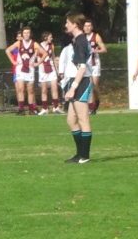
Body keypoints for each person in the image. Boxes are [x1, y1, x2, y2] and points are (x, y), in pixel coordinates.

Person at [62, 13, 93, 164]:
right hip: (75, 81)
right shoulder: (77, 40)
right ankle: (79, 153)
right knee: (71, 120)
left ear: (75, 24)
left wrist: (73, 88)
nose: (66, 25)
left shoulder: (81, 41)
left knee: (83, 119)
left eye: (67, 22)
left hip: (81, 82)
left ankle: (85, 156)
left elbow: (82, 68)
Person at [5, 27, 47, 115]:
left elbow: (45, 53)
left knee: (30, 90)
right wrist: (13, 61)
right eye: (25, 33)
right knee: (20, 89)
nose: (26, 34)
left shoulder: (34, 44)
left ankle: (31, 109)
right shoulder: (19, 43)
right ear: (22, 34)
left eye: (28, 33)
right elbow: (7, 50)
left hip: (30, 69)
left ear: (30, 34)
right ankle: (21, 109)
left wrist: (38, 63)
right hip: (20, 69)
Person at [84, 20, 107, 114]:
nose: (87, 28)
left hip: (94, 64)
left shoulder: (96, 36)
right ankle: (92, 107)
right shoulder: (81, 37)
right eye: (85, 26)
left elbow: (104, 49)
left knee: (94, 86)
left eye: (89, 26)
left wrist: (95, 51)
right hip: (85, 65)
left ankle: (96, 101)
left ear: (92, 27)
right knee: (89, 86)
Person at [38, 32, 62, 114]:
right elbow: (36, 57)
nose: (51, 38)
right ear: (45, 37)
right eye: (50, 37)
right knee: (44, 90)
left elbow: (53, 57)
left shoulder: (51, 46)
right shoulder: (39, 46)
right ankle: (45, 108)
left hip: (51, 69)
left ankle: (56, 107)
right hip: (43, 69)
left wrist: (58, 71)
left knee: (54, 88)